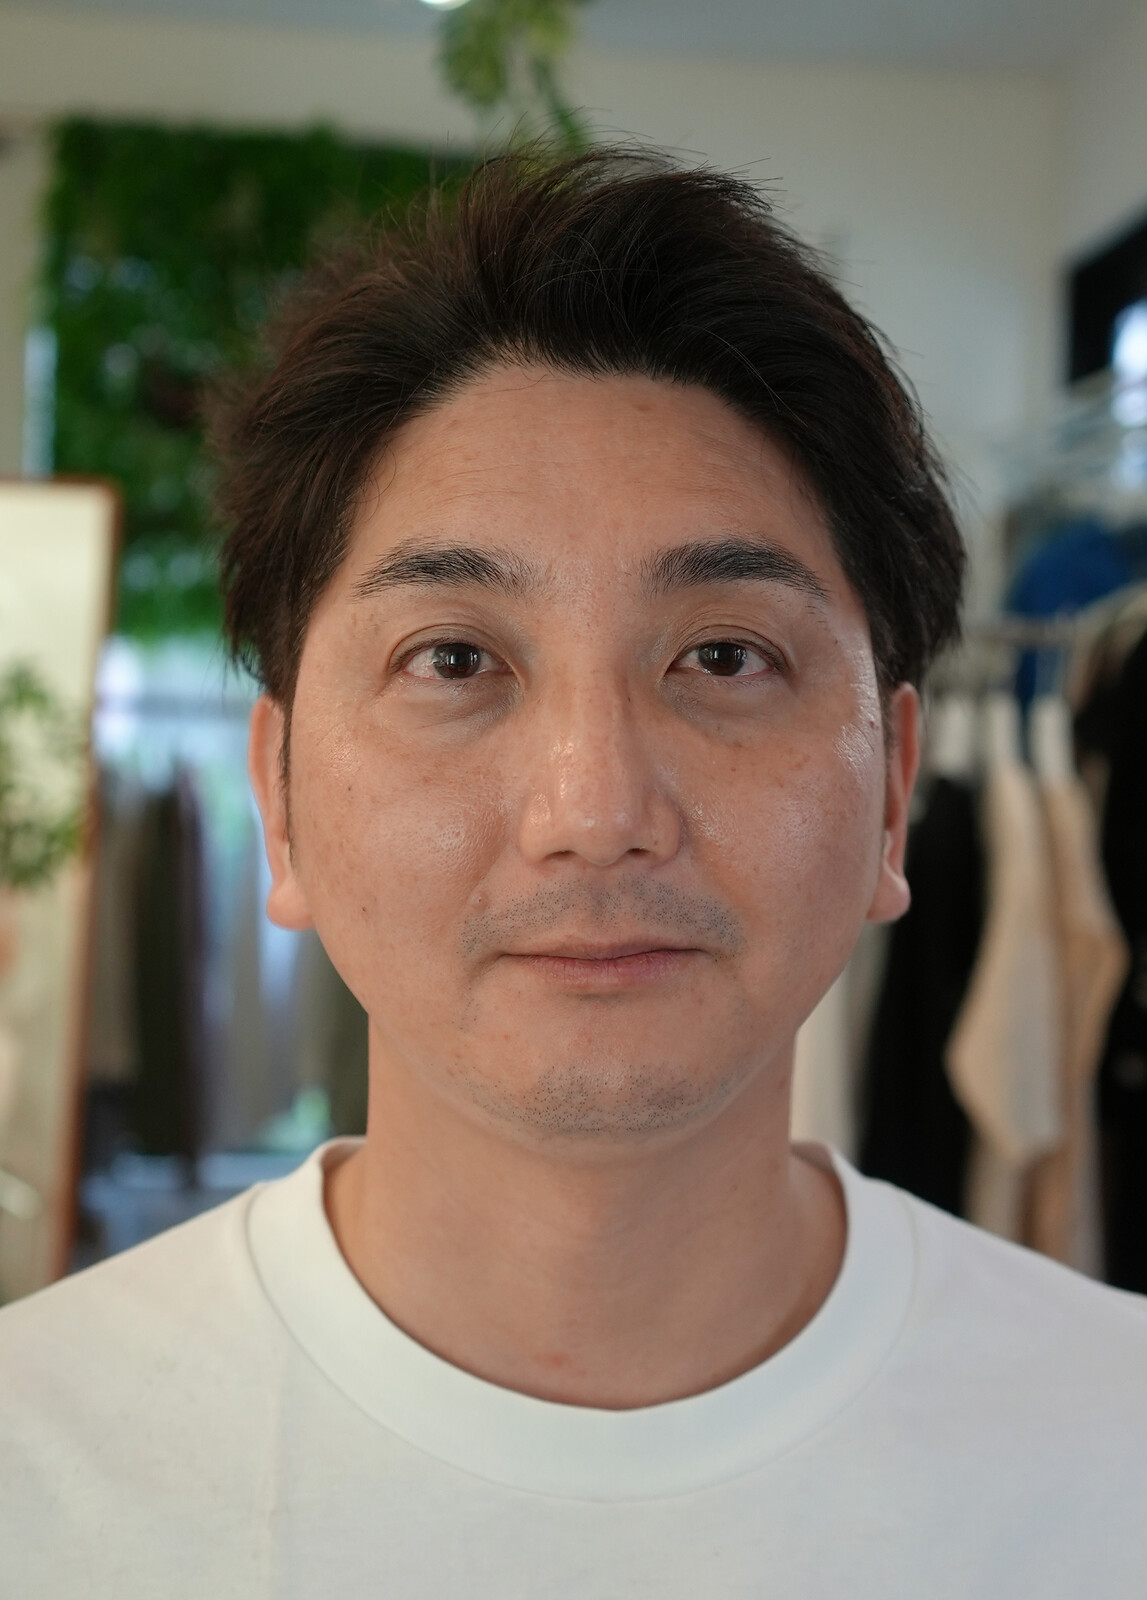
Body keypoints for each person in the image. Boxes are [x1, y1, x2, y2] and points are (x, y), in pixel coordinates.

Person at [1, 148, 1144, 1597]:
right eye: (453, 659)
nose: (595, 811)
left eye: (723, 655)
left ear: (892, 796)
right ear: (277, 799)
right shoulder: (37, 1470)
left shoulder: (1115, 1450)